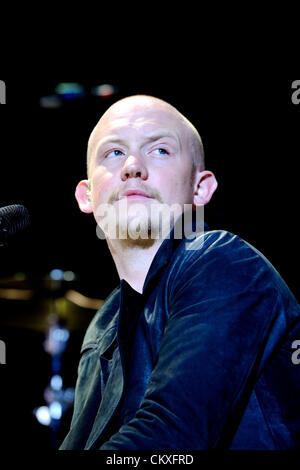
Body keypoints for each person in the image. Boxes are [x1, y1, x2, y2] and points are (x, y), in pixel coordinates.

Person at [60, 95, 300, 450]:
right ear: (87, 196)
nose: (132, 166)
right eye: (113, 153)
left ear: (200, 188)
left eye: (159, 150)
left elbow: (171, 439)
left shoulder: (222, 261)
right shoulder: (104, 326)